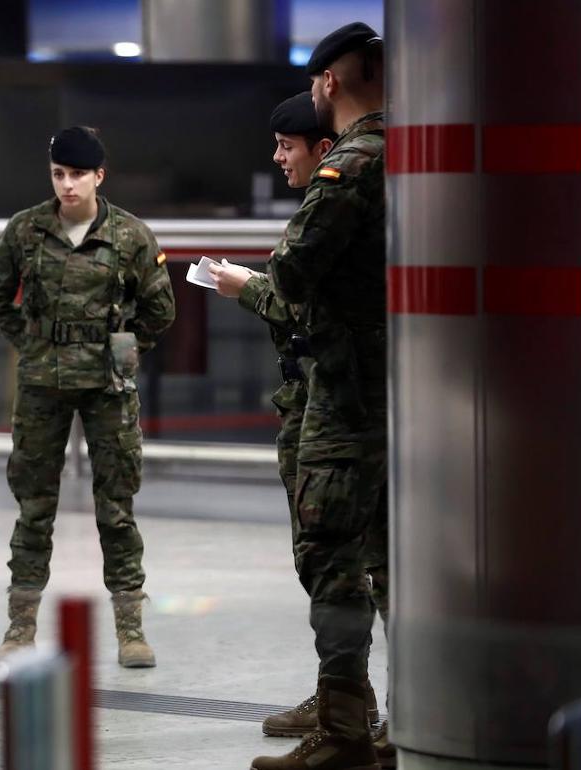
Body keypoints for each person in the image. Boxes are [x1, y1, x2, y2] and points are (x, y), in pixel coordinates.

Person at [210, 92, 386, 740]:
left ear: (322, 148)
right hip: (322, 397)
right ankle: (348, 697)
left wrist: (246, 288)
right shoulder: (342, 199)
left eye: (288, 146)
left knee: (335, 556)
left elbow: (299, 302)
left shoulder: (343, 197)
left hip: (343, 405)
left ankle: (348, 713)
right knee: (340, 558)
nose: (278, 157)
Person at [0, 126, 176, 668]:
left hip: (108, 387)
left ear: (99, 176)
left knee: (116, 509)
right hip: (42, 384)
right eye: (59, 175)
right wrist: (30, 341)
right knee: (34, 508)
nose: (68, 185)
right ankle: (20, 627)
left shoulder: (130, 235)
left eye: (78, 175)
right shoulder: (26, 230)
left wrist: (126, 346)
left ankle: (131, 630)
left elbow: (161, 308)